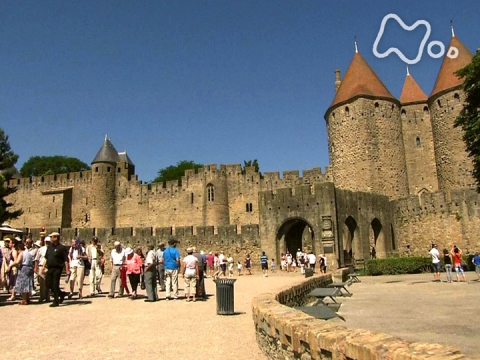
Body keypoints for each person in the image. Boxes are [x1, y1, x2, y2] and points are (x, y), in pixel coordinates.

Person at [43, 232, 70, 307]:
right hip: (50, 268)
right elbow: (46, 257)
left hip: (57, 268)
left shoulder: (61, 248)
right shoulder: (50, 247)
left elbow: (66, 260)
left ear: (56, 238)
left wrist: (67, 270)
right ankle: (61, 294)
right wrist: (43, 266)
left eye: (52, 237)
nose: (51, 238)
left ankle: (56, 301)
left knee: (55, 284)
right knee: (48, 284)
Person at [8, 238, 34, 305]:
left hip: (24, 268)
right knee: (28, 284)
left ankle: (24, 300)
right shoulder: (28, 252)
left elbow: (17, 262)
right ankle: (28, 299)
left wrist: (10, 266)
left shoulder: (22, 253)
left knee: (24, 284)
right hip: (29, 268)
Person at [34, 236, 50, 303]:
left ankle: (47, 297)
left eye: (49, 242)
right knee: (42, 283)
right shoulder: (41, 249)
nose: (47, 243)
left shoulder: (52, 249)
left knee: (48, 283)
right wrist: (36, 267)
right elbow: (37, 259)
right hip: (41, 267)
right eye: (46, 242)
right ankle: (42, 296)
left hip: (49, 267)